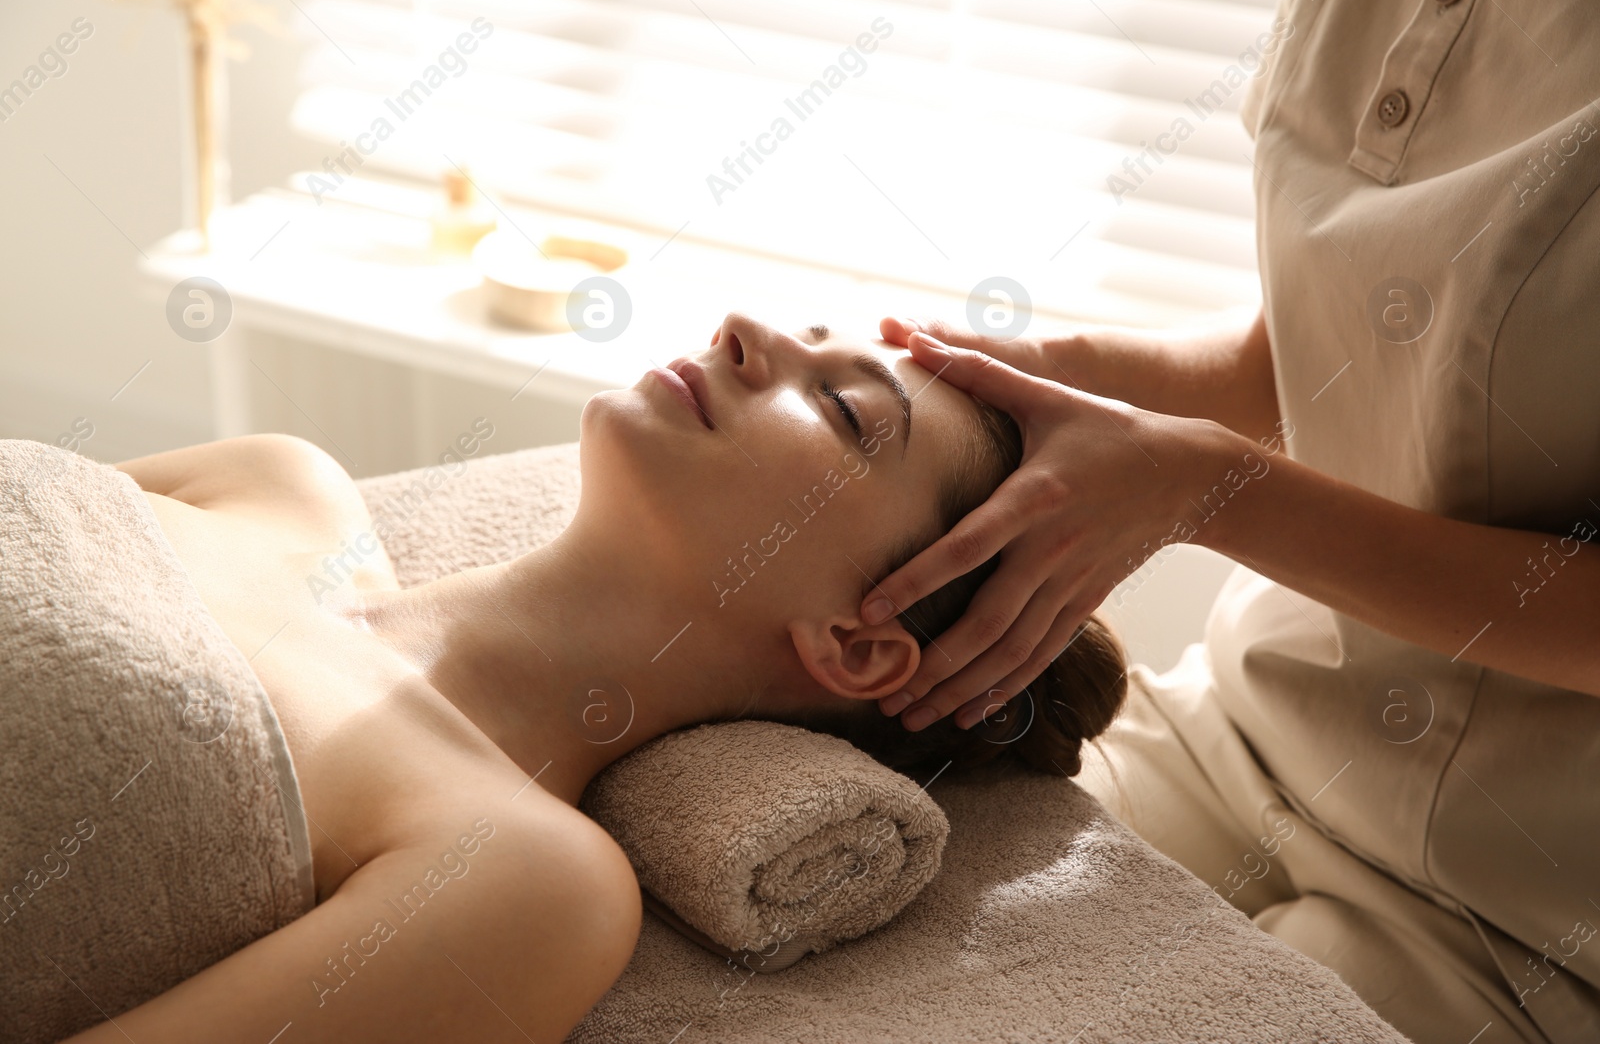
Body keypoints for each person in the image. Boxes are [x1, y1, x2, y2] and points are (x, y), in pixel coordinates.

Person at [859, 0, 1600, 1042]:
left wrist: (1207, 490)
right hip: (1250, 730)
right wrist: (1056, 377)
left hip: (1522, 902)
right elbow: (1310, 346)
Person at [66, 315, 1127, 1043]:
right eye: (802, 335)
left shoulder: (525, 878)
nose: (743, 327)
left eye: (846, 410)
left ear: (856, 643)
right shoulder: (272, 480)